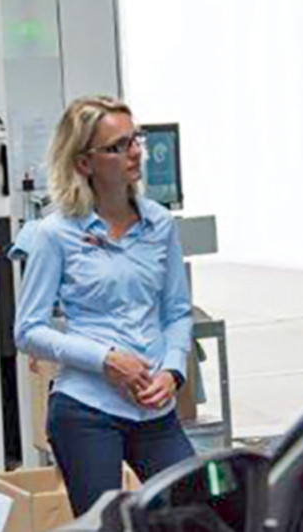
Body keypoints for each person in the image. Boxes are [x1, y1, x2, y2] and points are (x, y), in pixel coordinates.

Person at [14, 95, 195, 516]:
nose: (134, 153)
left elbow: (177, 311)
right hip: (86, 408)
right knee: (104, 524)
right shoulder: (54, 234)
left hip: (154, 408)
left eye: (135, 140)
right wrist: (106, 359)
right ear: (84, 163)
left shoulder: (159, 223)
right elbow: (28, 330)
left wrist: (173, 371)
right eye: (117, 146)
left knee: (198, 511)